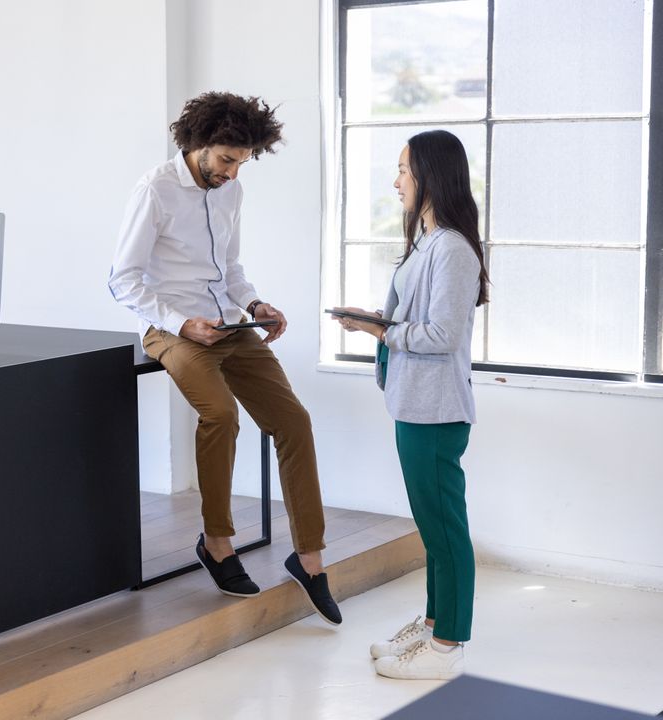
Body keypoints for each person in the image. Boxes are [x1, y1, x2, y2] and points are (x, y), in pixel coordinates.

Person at [109, 91, 340, 624]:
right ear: (198, 144)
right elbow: (123, 279)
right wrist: (181, 322)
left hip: (231, 326)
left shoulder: (230, 192)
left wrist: (255, 304)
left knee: (293, 421)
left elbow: (229, 269)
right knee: (221, 415)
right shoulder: (155, 190)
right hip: (174, 330)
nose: (233, 173)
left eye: (243, 162)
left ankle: (310, 559)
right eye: (226, 160)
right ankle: (217, 542)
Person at [333, 129, 489, 679]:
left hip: (436, 411)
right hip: (413, 404)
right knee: (433, 527)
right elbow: (409, 322)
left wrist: (383, 330)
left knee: (445, 530)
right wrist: (375, 323)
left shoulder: (451, 248)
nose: (395, 179)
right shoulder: (426, 241)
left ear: (430, 175)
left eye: (403, 169)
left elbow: (441, 334)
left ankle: (447, 647)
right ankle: (432, 626)